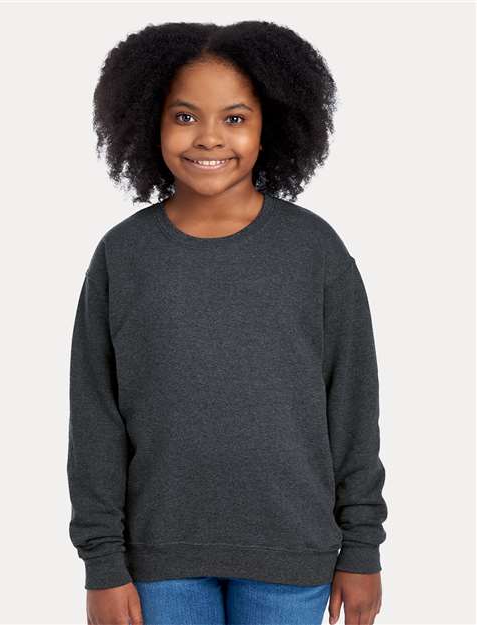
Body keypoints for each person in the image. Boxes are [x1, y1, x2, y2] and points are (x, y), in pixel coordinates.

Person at [67, 20, 388, 625]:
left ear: (272, 126)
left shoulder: (314, 250)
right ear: (149, 122)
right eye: (184, 116)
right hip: (158, 560)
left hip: (292, 553)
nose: (209, 137)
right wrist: (101, 562)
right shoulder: (123, 255)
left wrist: (363, 547)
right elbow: (94, 418)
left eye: (235, 117)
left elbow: (352, 404)